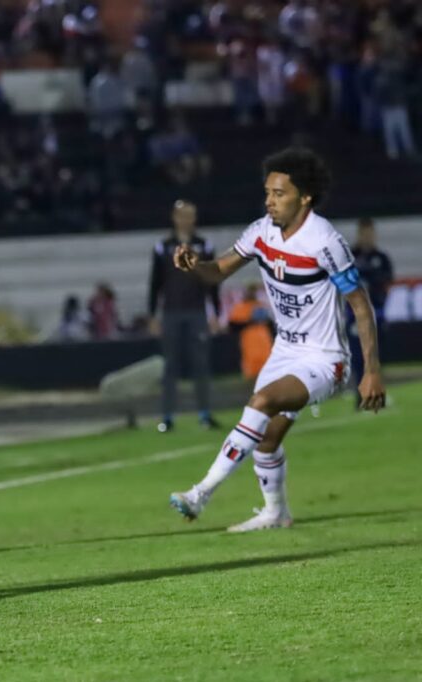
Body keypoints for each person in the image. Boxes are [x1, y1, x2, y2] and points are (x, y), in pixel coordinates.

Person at [168, 147, 386, 532]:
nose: (270, 201)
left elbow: (361, 306)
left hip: (325, 359)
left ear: (305, 197)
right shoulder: (261, 232)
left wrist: (371, 371)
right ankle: (276, 512)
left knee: (262, 401)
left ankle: (200, 493)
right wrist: (193, 266)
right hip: (284, 350)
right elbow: (218, 271)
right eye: (267, 192)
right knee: (267, 439)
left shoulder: (325, 242)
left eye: (279, 194)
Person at [148, 200, 222, 432]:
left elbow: (212, 281)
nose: (186, 220)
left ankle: (204, 414)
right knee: (170, 366)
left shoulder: (204, 245)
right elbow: (155, 283)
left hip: (197, 311)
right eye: (182, 216)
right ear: (174, 218)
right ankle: (168, 416)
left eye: (190, 216)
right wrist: (153, 315)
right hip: (171, 312)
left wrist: (216, 313)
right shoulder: (163, 247)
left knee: (201, 364)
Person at [349, 218, 393, 404]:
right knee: (358, 356)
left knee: (376, 354)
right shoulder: (350, 255)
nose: (367, 237)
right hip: (355, 316)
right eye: (364, 233)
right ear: (359, 234)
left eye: (370, 233)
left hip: (377, 314)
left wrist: (371, 276)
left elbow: (387, 279)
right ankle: (361, 394)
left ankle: (375, 391)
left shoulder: (381, 257)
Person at [228, 283, 273, 382]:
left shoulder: (260, 306)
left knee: (267, 372)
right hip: (249, 343)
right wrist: (251, 321)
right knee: (251, 373)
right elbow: (233, 326)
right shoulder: (240, 307)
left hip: (264, 344)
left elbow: (270, 324)